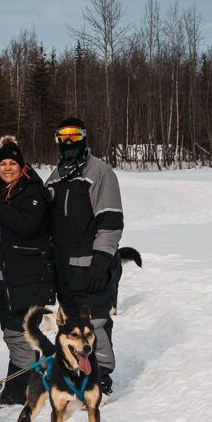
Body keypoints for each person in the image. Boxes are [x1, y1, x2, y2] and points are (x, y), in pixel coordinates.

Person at [45, 117, 123, 396]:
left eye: (74, 135)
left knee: (96, 324)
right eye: (63, 135)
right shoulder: (55, 177)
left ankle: (102, 376)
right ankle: (80, 372)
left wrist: (100, 263)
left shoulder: (99, 173)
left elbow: (111, 223)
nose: (68, 141)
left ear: (84, 137)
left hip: (92, 268)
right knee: (73, 327)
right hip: (65, 272)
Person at [0, 135, 55, 404]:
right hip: (2, 279)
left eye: (13, 163)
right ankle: (25, 384)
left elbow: (27, 226)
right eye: (3, 164)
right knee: (12, 335)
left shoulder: (31, 191)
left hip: (28, 277)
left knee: (22, 334)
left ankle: (24, 389)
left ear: (22, 165)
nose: (8, 168)